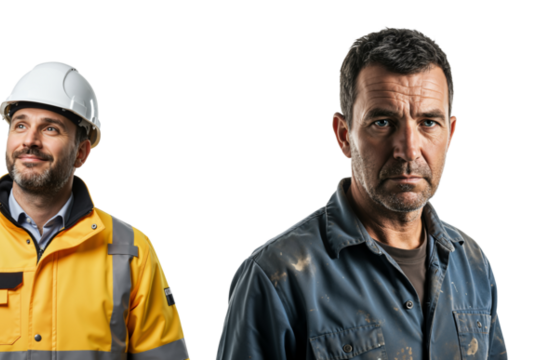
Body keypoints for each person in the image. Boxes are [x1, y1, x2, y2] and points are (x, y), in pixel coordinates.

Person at [213, 25, 508, 359]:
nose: (409, 150)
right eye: (383, 123)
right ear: (343, 135)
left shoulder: (473, 264)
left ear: (450, 135)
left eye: (428, 123)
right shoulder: (275, 276)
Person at [0, 61, 190, 360]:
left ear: (82, 153)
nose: (30, 141)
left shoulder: (131, 251)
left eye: (50, 128)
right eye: (20, 125)